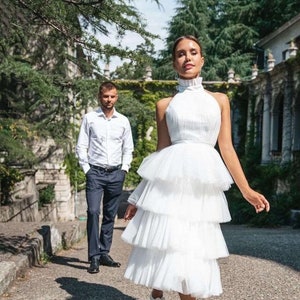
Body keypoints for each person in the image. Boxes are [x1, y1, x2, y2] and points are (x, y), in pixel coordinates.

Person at [121, 36, 270, 300]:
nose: (187, 58)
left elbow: (226, 147)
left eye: (193, 52)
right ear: (174, 62)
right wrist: (138, 197)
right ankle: (162, 285)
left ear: (202, 59)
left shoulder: (220, 100)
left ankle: (162, 285)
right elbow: (162, 152)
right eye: (180, 54)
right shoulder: (164, 105)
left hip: (201, 190)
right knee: (176, 249)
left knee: (193, 252)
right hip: (171, 190)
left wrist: (246, 189)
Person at [76, 81, 134, 274]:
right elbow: (81, 145)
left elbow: (128, 148)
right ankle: (93, 256)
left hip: (116, 173)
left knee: (110, 215)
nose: (109, 100)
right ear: (99, 97)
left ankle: (104, 253)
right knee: (93, 212)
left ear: (116, 97)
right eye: (105, 96)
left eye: (112, 96)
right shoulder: (90, 118)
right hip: (95, 173)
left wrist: (124, 169)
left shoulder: (123, 121)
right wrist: (87, 169)